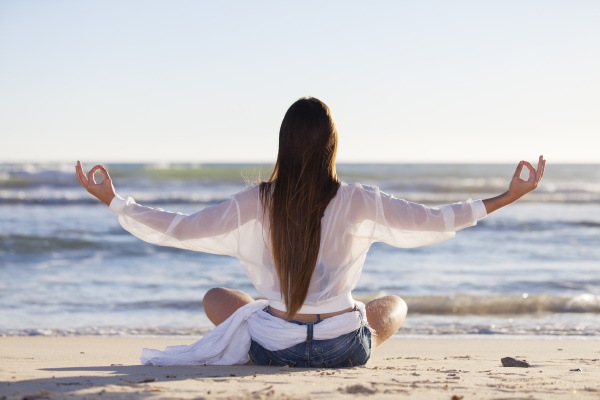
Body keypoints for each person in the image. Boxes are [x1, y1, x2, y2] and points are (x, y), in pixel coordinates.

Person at [75, 97, 545, 368]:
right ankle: (357, 337)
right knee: (394, 305)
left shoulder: (256, 199)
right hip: (343, 347)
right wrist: (506, 196)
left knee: (218, 297)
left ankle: (281, 322)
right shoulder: (360, 198)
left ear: (283, 143)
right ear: (332, 145)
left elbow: (181, 229)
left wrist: (116, 201)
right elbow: (432, 220)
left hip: (272, 348)